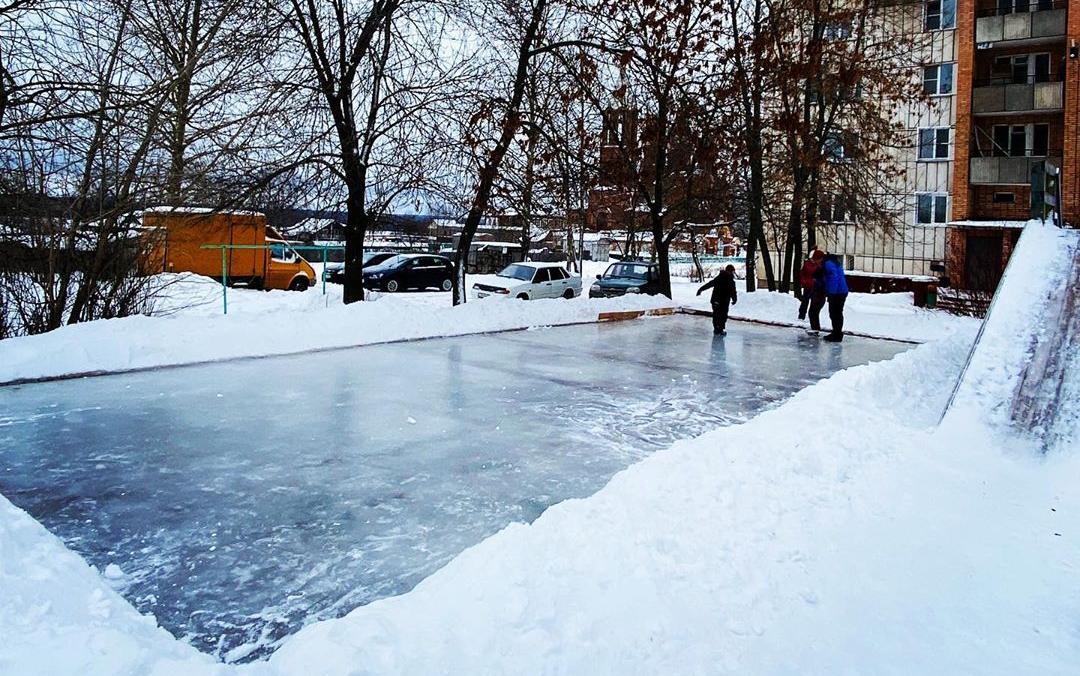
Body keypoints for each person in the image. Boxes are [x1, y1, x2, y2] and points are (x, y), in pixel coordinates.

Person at [697, 264, 738, 335]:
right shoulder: (729, 280)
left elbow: (710, 284)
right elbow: (733, 292)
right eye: (733, 271)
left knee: (717, 315)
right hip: (723, 301)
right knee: (722, 315)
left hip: (716, 300)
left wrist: (701, 289)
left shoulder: (720, 278)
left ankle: (717, 328)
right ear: (731, 271)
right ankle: (720, 329)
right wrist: (734, 299)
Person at [820, 254, 849, 342]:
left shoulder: (828, 264)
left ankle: (836, 334)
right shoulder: (835, 263)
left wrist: (831, 293)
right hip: (842, 291)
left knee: (834, 313)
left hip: (836, 293)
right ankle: (837, 333)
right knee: (838, 313)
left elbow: (834, 278)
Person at [797, 248, 824, 321]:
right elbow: (802, 273)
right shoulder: (807, 263)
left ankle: (811, 317)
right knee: (805, 301)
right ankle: (801, 315)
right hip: (807, 286)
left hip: (815, 286)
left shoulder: (820, 265)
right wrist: (803, 281)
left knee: (813, 302)